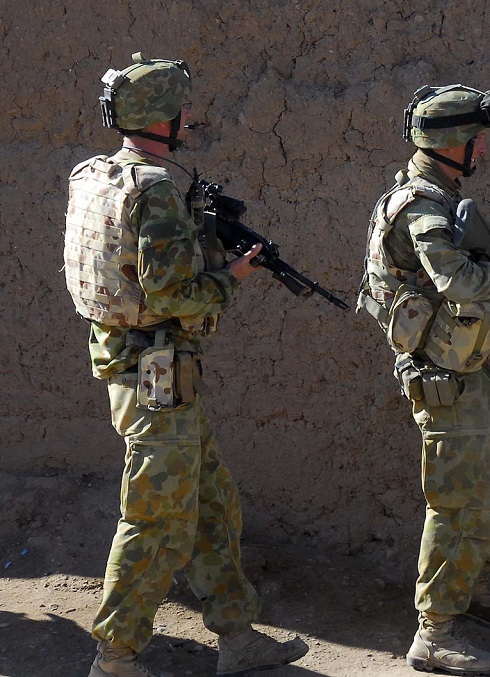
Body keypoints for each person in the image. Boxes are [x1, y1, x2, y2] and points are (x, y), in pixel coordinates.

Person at [65, 53, 308, 677]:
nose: (190, 118)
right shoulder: (156, 190)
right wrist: (234, 275)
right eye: (183, 110)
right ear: (161, 118)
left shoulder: (96, 175)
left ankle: (238, 635)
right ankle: (115, 656)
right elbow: (172, 293)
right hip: (155, 376)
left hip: (144, 369)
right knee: (155, 519)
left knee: (209, 503)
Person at [357, 84, 490, 675]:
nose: (484, 150)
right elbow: (456, 282)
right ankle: (436, 632)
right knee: (459, 507)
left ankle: (462, 593)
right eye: (476, 140)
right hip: (442, 379)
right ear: (452, 144)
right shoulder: (421, 206)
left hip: (472, 370)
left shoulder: (441, 197)